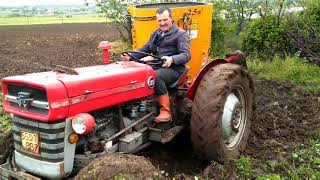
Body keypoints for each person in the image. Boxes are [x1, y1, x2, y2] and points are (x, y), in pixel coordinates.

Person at [121, 7, 191, 123]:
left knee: (156, 76)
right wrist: (130, 55)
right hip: (158, 66)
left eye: (165, 20)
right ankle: (137, 107)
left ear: (171, 19)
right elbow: (145, 49)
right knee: (138, 74)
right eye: (159, 21)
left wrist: (172, 59)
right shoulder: (156, 34)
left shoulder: (180, 34)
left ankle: (166, 112)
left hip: (175, 69)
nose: (162, 23)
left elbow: (186, 55)